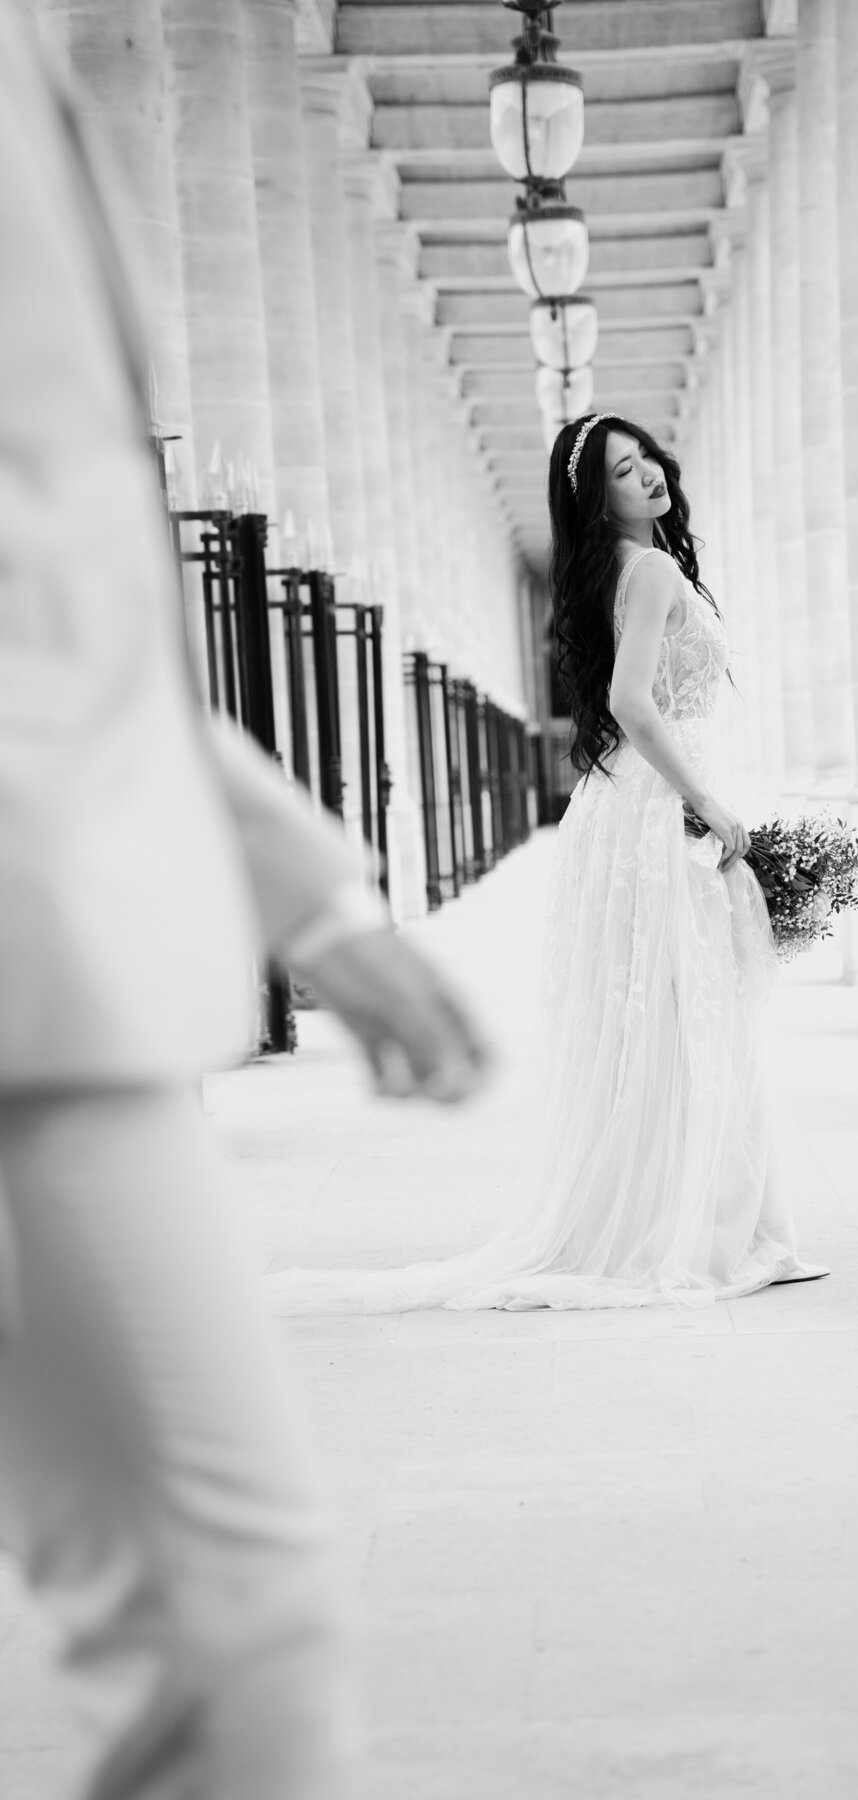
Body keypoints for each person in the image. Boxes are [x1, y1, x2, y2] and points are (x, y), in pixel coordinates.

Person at [0, 12, 490, 1798]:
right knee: (239, 1637)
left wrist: (301, 886)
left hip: (62, 957)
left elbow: (59, 561)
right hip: (36, 979)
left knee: (218, 1641)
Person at [271, 413, 828, 1315]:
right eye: (620, 471)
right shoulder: (646, 569)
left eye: (644, 457)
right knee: (694, 1016)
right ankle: (708, 1232)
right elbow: (630, 703)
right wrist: (709, 804)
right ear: (594, 497)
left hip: (626, 805)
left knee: (665, 1020)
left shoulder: (626, 567)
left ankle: (702, 1220)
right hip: (655, 806)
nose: (645, 474)